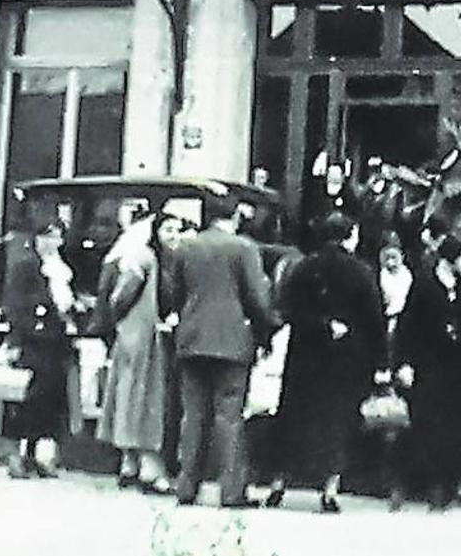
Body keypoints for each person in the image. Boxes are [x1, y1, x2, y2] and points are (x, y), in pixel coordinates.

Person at [160, 193, 281, 508]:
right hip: (232, 342)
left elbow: (172, 293)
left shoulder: (185, 248)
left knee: (193, 414)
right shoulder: (244, 249)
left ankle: (187, 485)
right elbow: (258, 298)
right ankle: (231, 491)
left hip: (191, 339)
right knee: (228, 417)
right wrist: (267, 330)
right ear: (236, 217)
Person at [267, 211, 385, 512]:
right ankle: (329, 489)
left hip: (305, 354)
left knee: (295, 416)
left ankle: (279, 482)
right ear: (350, 236)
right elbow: (374, 320)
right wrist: (381, 363)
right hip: (345, 358)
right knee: (336, 421)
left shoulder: (303, 267)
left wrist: (318, 324)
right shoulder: (361, 271)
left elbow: (286, 308)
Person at [95, 211, 183, 495]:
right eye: (168, 229)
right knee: (145, 399)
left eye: (177, 230)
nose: (174, 235)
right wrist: (125, 321)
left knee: (131, 398)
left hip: (139, 336)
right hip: (143, 338)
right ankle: (147, 467)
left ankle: (129, 464)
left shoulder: (157, 258)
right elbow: (120, 297)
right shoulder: (145, 258)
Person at [405, 234, 461, 510]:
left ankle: (458, 479)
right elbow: (409, 325)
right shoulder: (426, 285)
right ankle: (435, 484)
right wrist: (404, 363)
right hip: (432, 367)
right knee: (432, 425)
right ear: (450, 258)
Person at [2, 220, 80, 479]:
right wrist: (14, 340)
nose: (54, 243)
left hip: (57, 338)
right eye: (49, 236)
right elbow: (13, 305)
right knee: (33, 395)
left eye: (58, 237)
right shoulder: (27, 266)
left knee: (51, 398)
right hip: (33, 338)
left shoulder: (61, 267)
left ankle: (36, 453)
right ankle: (15, 453)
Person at [371, 231, 419, 511]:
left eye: (395, 254)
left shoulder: (409, 279)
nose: (391, 259)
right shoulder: (375, 278)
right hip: (383, 334)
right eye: (386, 254)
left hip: (399, 337)